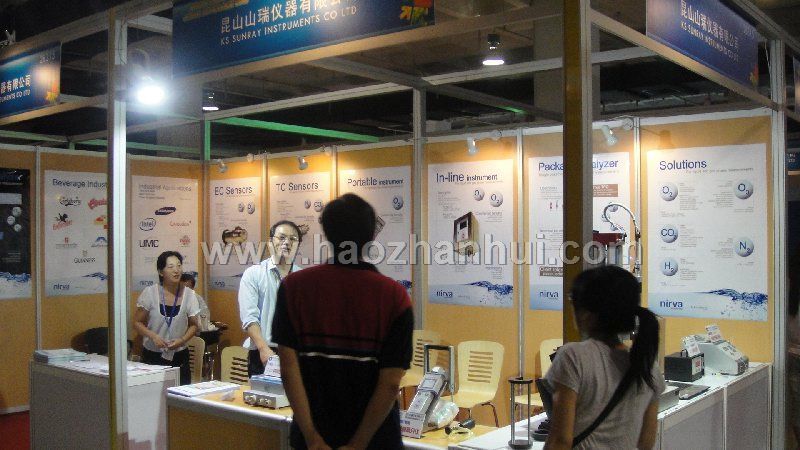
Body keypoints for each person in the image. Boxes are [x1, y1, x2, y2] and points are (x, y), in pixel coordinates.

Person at [272, 193, 413, 450]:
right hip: (376, 441)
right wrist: (357, 445)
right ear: (371, 237)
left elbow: (288, 369)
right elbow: (391, 383)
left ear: (327, 233)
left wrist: (312, 437)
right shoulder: (395, 297)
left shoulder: (293, 288)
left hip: (313, 436)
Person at [544, 266, 664, 450]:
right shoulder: (649, 368)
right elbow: (646, 442)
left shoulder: (573, 357)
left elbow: (560, 441)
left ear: (586, 313)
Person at [238, 220, 303, 376]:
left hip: (295, 354)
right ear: (270, 242)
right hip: (263, 352)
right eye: (281, 237)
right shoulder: (254, 273)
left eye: (293, 239)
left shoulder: (302, 278)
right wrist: (263, 349)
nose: (287, 242)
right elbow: (249, 317)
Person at [134, 251, 201, 385]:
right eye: (170, 267)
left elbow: (194, 325)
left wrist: (182, 340)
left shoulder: (190, 295)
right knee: (152, 394)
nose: (176, 270)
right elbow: (137, 322)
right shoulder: (150, 293)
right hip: (153, 354)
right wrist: (153, 336)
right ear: (161, 272)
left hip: (179, 355)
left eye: (179, 265)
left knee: (180, 394)